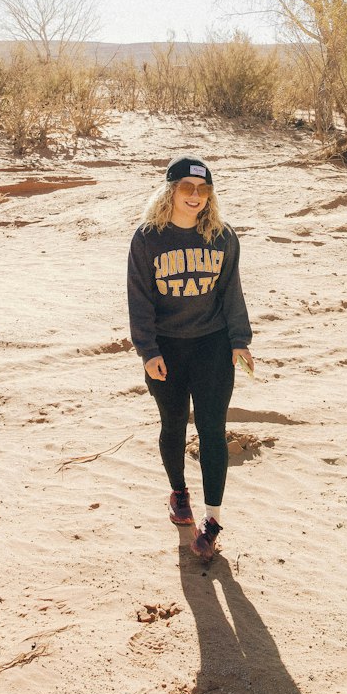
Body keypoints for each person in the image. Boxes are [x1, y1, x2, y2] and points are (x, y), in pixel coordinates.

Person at [127, 155, 253, 561]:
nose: (195, 196)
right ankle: (179, 491)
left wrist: (240, 340)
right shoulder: (148, 239)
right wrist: (148, 351)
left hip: (212, 345)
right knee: (174, 424)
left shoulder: (222, 237)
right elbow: (140, 299)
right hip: (167, 348)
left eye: (203, 190)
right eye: (187, 188)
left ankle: (213, 519)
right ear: (171, 191)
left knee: (214, 430)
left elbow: (231, 292)